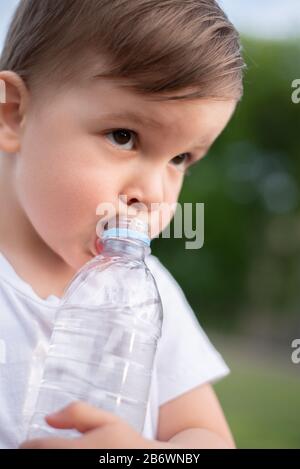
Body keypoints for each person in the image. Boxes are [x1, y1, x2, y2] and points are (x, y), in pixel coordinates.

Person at [0, 0, 245, 449]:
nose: (153, 194)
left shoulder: (152, 291)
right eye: (123, 136)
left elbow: (210, 438)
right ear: (15, 113)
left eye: (180, 159)